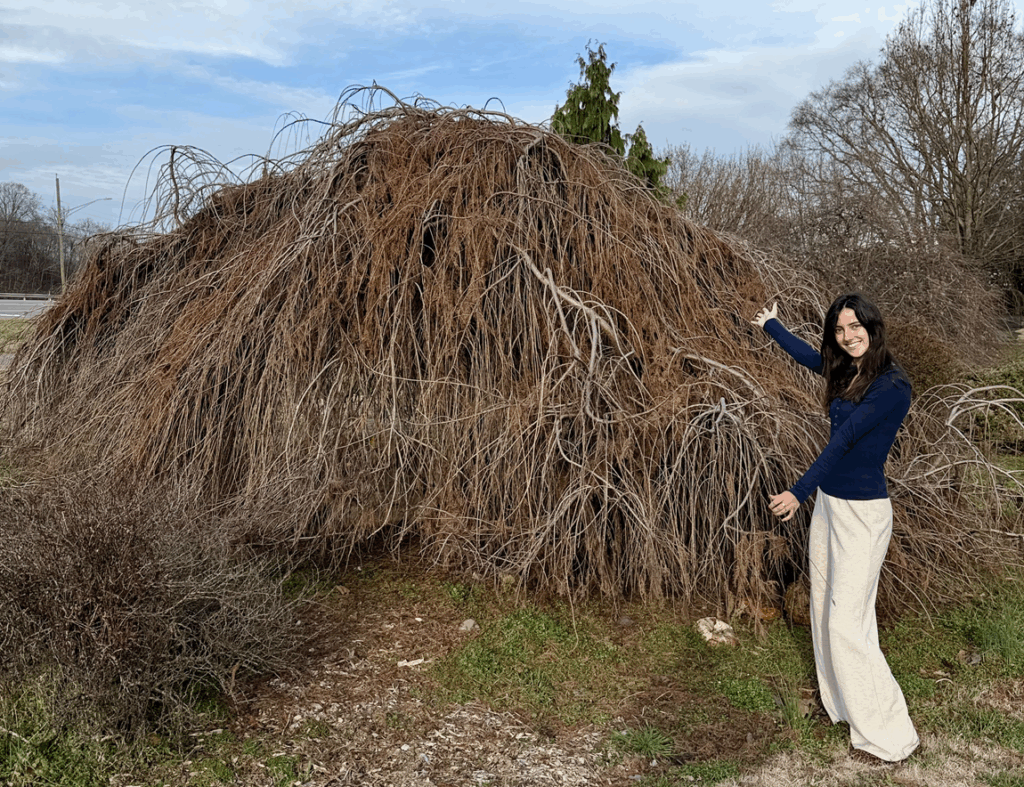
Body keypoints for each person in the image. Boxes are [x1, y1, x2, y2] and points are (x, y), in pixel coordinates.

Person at [751, 293, 920, 764]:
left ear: (873, 325)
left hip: (864, 516)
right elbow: (811, 357)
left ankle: (888, 736)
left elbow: (845, 439)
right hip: (831, 505)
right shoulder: (848, 366)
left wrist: (798, 490)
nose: (848, 336)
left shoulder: (892, 385)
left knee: (849, 622)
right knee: (828, 611)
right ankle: (845, 708)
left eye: (855, 327)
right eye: (840, 329)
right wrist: (772, 325)